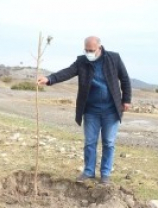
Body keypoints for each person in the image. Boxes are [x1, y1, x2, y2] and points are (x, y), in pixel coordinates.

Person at [37, 36, 132, 184]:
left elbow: (125, 79)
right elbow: (67, 72)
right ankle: (88, 172)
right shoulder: (82, 61)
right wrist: (50, 79)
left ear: (99, 48)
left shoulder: (113, 58)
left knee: (108, 142)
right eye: (86, 50)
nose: (88, 53)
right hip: (90, 110)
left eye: (91, 50)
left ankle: (105, 174)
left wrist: (126, 99)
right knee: (90, 142)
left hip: (111, 110)